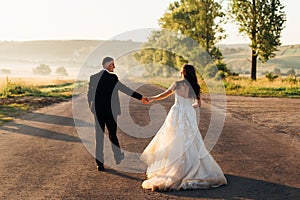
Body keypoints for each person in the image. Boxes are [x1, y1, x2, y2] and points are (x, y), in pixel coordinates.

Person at [140, 63, 227, 191]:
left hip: (176, 113)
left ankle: (175, 168)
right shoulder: (195, 86)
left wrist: (151, 98)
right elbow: (198, 104)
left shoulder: (177, 84)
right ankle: (193, 167)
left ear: (183, 72)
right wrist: (188, 108)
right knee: (192, 139)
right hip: (189, 114)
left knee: (173, 139)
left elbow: (164, 94)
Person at [88, 57, 147, 171]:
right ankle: (117, 156)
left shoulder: (93, 77)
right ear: (107, 64)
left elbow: (89, 95)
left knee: (99, 136)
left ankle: (100, 164)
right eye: (113, 64)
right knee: (112, 134)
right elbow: (125, 89)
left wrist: (92, 108)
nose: (114, 67)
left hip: (98, 111)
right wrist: (141, 97)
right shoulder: (112, 78)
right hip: (111, 111)